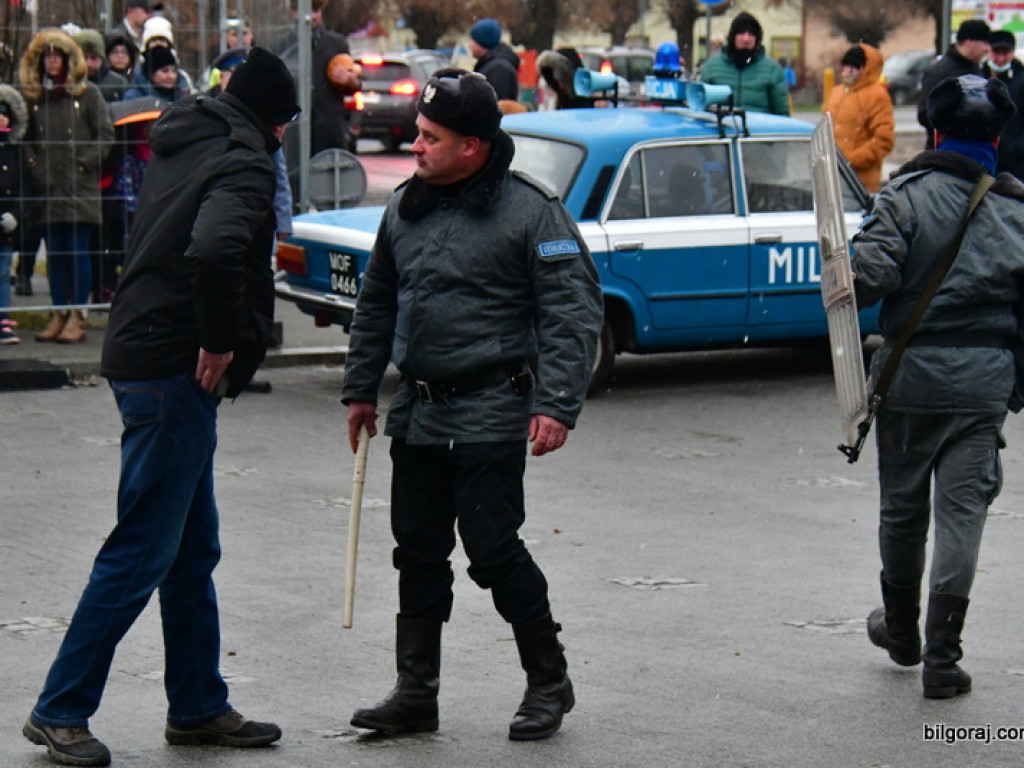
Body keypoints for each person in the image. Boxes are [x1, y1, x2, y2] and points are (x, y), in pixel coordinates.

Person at [22, 46, 299, 768]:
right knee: (143, 546)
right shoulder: (243, 157)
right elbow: (214, 250)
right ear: (278, 124)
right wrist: (216, 342)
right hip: (176, 365)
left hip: (142, 350)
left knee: (188, 546)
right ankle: (61, 708)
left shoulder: (188, 134)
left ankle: (198, 703)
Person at [342, 68, 603, 742]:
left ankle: (549, 680)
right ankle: (415, 692)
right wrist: (360, 388)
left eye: (431, 138)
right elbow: (375, 303)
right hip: (419, 412)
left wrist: (557, 403)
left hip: (494, 407)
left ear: (474, 148)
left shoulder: (532, 211)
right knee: (418, 550)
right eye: (418, 135)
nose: (416, 147)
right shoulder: (406, 206)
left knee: (491, 547)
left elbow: (573, 312)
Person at [851, 73, 1024, 700]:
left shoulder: (904, 195)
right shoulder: (1016, 208)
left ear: (934, 129)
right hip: (984, 384)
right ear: (999, 137)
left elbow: (865, 281)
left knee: (903, 508)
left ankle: (901, 633)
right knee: (962, 516)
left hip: (910, 377)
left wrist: (843, 252)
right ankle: (943, 661)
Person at [19, 28, 113, 343]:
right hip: (47, 189)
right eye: (47, 55)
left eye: (57, 55)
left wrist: (84, 163)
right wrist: (35, 166)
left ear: (67, 58)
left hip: (80, 188)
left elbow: (106, 134)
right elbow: (25, 139)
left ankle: (78, 317)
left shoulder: (87, 94)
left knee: (78, 252)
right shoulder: (36, 98)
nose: (52, 61)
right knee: (56, 255)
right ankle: (58, 314)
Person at [823, 43, 895, 193]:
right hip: (833, 177)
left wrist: (850, 161)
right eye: (845, 66)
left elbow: (884, 140)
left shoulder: (877, 96)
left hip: (861, 182)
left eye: (854, 67)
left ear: (866, 69)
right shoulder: (837, 92)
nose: (848, 71)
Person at [918, 19, 991, 149]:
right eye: (985, 42)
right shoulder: (939, 72)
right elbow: (925, 114)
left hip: (975, 150)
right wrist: (962, 126)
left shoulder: (979, 71)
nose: (988, 49)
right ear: (969, 42)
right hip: (944, 150)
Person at [699, 12, 790, 116]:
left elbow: (782, 112)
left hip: (760, 130)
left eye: (751, 34)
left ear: (757, 39)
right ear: (733, 37)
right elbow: (701, 107)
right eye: (741, 33)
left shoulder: (772, 69)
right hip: (721, 129)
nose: (746, 39)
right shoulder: (712, 67)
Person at [0, 86, 32, 344]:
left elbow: (24, 186)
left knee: (3, 273)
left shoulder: (17, 151)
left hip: (6, 224)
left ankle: (3, 321)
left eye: (5, 114)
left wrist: (15, 214)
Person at [985, 30, 1024, 179]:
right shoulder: (979, 77)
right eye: (996, 52)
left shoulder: (1021, 80)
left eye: (1005, 53)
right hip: (987, 157)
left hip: (1017, 163)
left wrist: (1017, 148)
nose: (1000, 59)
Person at [468, 18, 520, 101]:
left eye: (472, 40)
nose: (469, 45)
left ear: (482, 41)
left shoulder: (498, 69)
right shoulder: (489, 65)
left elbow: (498, 106)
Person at [73, 29, 128, 103]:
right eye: (84, 58)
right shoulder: (68, 83)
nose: (89, 64)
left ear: (102, 58)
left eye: (94, 58)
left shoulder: (119, 84)